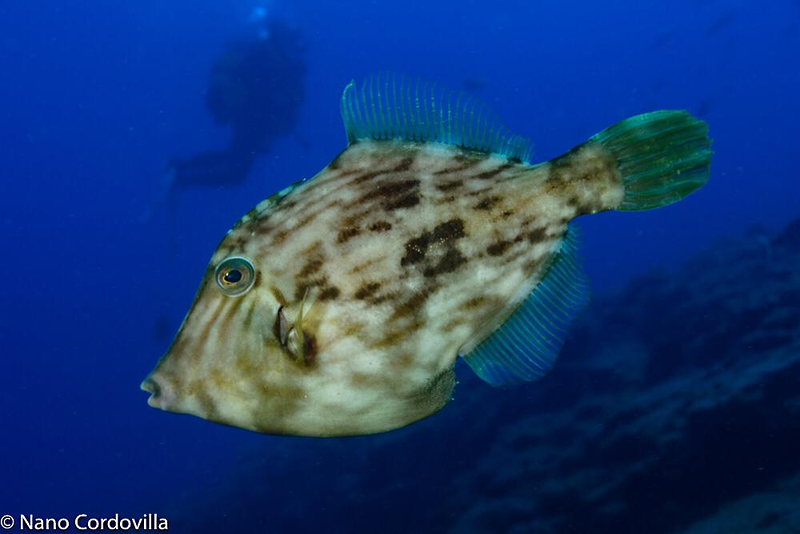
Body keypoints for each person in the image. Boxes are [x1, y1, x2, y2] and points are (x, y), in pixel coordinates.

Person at [144, 17, 305, 221]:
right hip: (251, 118)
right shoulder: (267, 55)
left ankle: (179, 170)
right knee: (236, 172)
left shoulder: (269, 55)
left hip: (252, 118)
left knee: (234, 163)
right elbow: (266, 91)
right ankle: (180, 173)